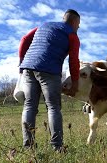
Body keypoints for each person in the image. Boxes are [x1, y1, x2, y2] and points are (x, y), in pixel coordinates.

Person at [18, 9, 80, 151]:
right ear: (74, 22)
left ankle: (29, 147)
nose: (78, 28)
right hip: (49, 70)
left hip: (28, 67)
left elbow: (24, 40)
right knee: (53, 107)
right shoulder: (72, 35)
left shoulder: (44, 25)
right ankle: (57, 147)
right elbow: (74, 61)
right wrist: (75, 83)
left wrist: (21, 61)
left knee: (29, 106)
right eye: (79, 25)